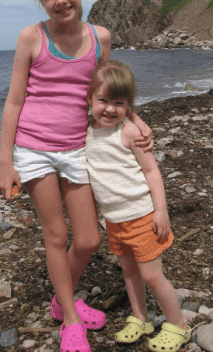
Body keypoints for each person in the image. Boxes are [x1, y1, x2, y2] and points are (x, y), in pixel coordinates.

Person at [0, 0, 153, 352]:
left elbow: (107, 87)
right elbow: (14, 101)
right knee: (56, 234)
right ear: (41, 1)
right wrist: (5, 162)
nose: (60, 0)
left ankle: (59, 296)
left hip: (77, 147)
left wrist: (134, 118)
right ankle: (69, 317)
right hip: (34, 150)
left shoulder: (99, 37)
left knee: (87, 240)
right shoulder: (31, 37)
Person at [86, 60, 191, 352]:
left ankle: (179, 326)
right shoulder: (87, 131)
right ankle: (141, 318)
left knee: (151, 274)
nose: (110, 109)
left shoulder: (130, 132)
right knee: (129, 272)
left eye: (119, 103)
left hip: (142, 216)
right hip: (114, 220)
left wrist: (161, 210)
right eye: (103, 100)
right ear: (89, 99)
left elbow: (151, 171)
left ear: (129, 105)